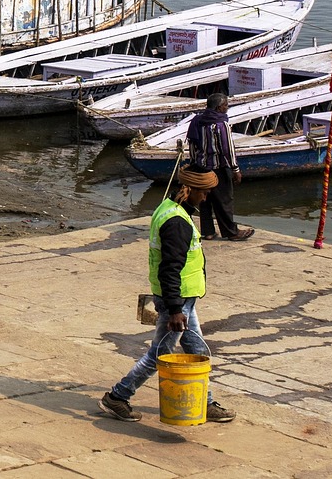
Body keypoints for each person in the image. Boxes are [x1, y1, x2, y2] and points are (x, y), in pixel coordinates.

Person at [100, 167, 237, 423]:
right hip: (177, 300)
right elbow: (170, 268)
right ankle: (118, 396)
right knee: (160, 354)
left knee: (197, 349)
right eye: (205, 192)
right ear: (191, 190)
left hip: (184, 299)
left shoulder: (168, 207)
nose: (206, 198)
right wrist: (175, 310)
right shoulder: (176, 223)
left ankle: (205, 402)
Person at [186, 93, 252, 241]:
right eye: (225, 105)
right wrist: (235, 169)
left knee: (205, 199)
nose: (227, 107)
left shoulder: (197, 121)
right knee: (224, 200)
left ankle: (208, 232)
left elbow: (192, 144)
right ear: (219, 107)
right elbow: (227, 149)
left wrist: (194, 163)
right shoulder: (221, 124)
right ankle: (231, 232)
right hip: (219, 168)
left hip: (201, 167)